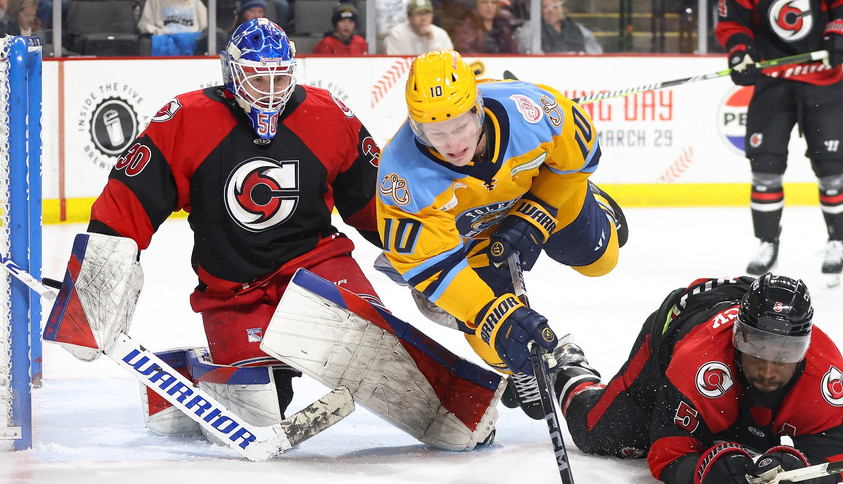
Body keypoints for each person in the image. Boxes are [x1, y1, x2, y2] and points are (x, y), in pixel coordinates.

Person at [44, 20, 501, 453]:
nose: (269, 91)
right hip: (232, 291)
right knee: (256, 417)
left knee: (368, 337)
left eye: (279, 79)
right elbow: (128, 201)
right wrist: (96, 289)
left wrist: (431, 262)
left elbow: (379, 207)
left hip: (318, 269)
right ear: (231, 73)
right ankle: (193, 376)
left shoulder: (327, 115)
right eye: (257, 79)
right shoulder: (187, 119)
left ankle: (457, 408)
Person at [375, 49, 627, 419]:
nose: (453, 143)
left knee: (601, 262)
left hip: (539, 195)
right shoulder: (401, 175)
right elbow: (431, 266)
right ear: (417, 127)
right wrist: (496, 314)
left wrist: (539, 210)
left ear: (477, 108)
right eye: (436, 132)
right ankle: (522, 368)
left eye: (460, 125)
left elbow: (581, 156)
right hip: (477, 238)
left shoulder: (530, 108)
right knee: (501, 342)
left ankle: (596, 205)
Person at [553, 274, 843, 484]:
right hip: (679, 328)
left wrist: (805, 472)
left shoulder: (823, 369)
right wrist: (702, 472)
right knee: (598, 433)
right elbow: (666, 452)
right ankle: (568, 366)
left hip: (749, 360)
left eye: (784, 354)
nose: (768, 369)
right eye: (755, 346)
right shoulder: (697, 362)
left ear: (804, 348)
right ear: (737, 337)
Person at [716, 1, 843, 283]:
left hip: (824, 84)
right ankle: (767, 242)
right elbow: (734, 21)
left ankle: (837, 241)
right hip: (773, 84)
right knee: (765, 168)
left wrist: (840, 31)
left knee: (832, 171)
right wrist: (739, 53)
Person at [514, 0, 603, 54]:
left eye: (554, 7)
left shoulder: (575, 28)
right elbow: (526, 50)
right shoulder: (532, 28)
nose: (550, 11)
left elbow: (595, 50)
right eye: (545, 7)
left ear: (561, 9)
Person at [385, 0, 454, 54]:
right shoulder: (397, 34)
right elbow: (392, 61)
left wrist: (431, 40)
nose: (423, 18)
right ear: (409, 17)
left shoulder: (440, 34)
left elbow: (448, 62)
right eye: (418, 14)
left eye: (427, 14)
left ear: (432, 15)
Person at [451, 0, 517, 54]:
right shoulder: (466, 28)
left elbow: (513, 53)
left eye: (493, 3)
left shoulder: (504, 27)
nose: (489, 6)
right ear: (477, 5)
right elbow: (464, 51)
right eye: (484, 2)